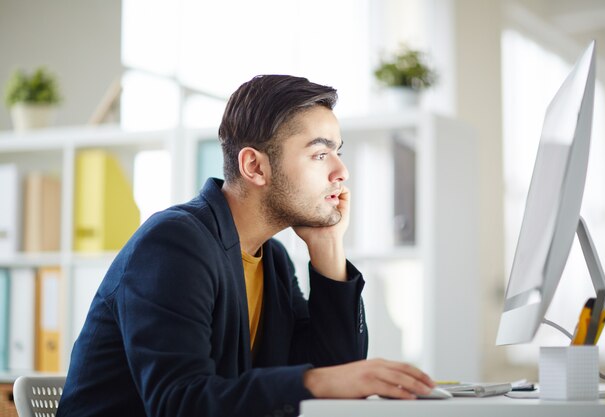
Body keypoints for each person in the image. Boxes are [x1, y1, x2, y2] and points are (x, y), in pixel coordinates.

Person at [57, 75, 435, 417]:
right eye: (320, 154)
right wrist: (314, 382)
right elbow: (177, 403)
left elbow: (337, 384)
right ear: (254, 167)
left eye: (338, 152)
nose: (341, 171)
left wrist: (328, 247)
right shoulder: (174, 244)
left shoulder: (272, 260)